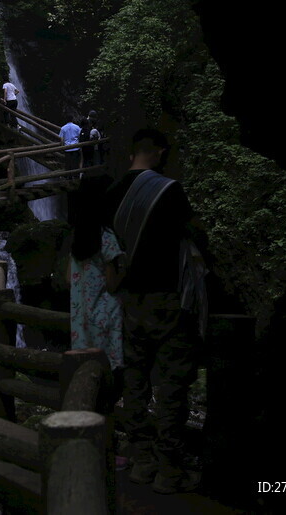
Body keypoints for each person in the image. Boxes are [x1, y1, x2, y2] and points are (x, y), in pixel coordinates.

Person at [103, 128, 208, 495]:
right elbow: (196, 237)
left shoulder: (112, 194)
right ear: (160, 153)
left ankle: (141, 460)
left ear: (132, 152)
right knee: (172, 385)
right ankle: (169, 469)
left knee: (135, 381)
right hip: (168, 300)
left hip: (129, 301)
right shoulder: (169, 190)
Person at [67, 178, 126, 369]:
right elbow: (111, 284)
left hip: (80, 319)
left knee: (86, 368)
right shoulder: (106, 236)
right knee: (107, 367)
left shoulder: (77, 239)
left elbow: (68, 278)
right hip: (105, 316)